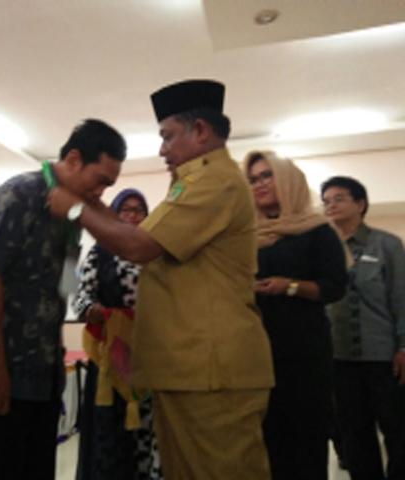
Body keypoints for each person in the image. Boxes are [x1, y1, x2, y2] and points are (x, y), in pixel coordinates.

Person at [48, 79, 275, 479]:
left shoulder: (215, 181)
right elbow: (131, 238)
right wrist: (88, 204)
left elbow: (138, 246)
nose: (162, 150)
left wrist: (74, 209)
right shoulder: (193, 181)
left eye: (167, 137)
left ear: (200, 131)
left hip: (210, 370)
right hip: (183, 368)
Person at [0, 119, 126, 480]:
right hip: (0, 371)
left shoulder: (71, 213)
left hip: (44, 377)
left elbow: (65, 286)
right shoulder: (19, 195)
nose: (100, 192)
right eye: (99, 180)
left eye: (108, 186)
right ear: (73, 159)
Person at [244, 151, 348, 480]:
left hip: (304, 353)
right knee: (265, 444)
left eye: (267, 175)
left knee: (306, 441)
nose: (259, 184)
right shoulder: (245, 235)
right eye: (253, 179)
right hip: (255, 353)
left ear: (288, 180)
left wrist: (290, 286)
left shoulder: (317, 231)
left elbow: (334, 287)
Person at [74, 188, 162, 480]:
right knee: (109, 439)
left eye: (139, 210)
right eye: (126, 209)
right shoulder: (100, 252)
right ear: (114, 214)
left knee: (147, 436)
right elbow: (81, 298)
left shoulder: (155, 254)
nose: (133, 216)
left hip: (151, 360)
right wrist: (92, 310)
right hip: (109, 362)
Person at [321, 176, 405, 480]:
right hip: (339, 358)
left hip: (384, 357)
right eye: (326, 201)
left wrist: (403, 346)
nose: (331, 205)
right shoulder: (324, 248)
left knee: (398, 430)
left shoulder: (387, 244)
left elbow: (400, 298)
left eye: (339, 198)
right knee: (354, 436)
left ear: (360, 204)